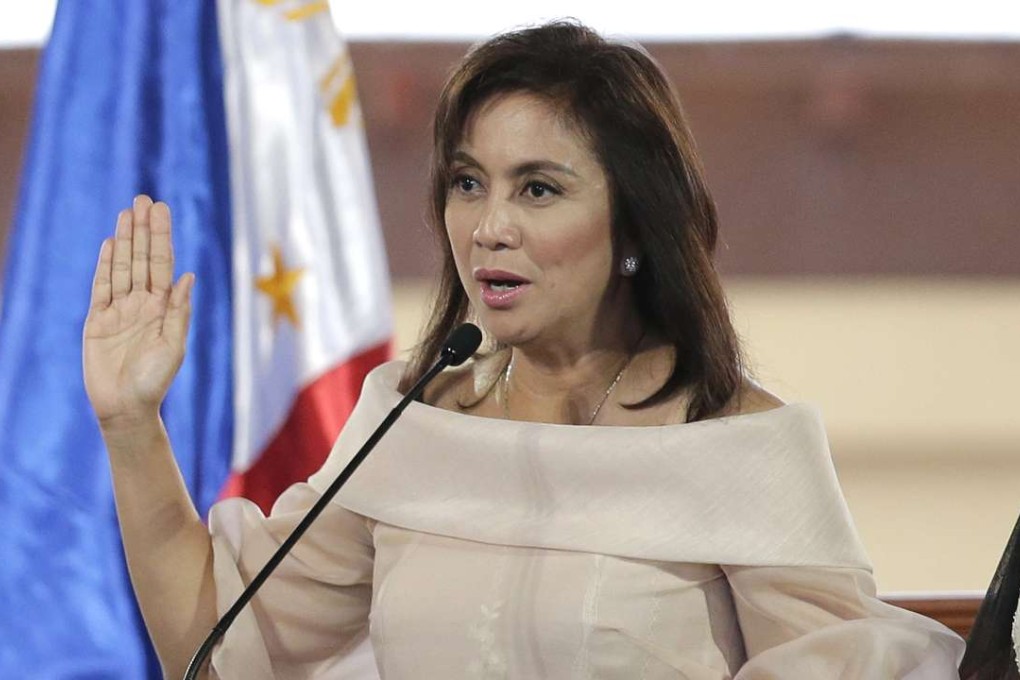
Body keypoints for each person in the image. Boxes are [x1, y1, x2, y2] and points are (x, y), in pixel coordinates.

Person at [83, 21, 965, 679]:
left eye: (538, 189)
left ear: (633, 226)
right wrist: (131, 425)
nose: (489, 228)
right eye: (469, 184)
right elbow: (221, 641)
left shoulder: (735, 444)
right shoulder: (411, 429)